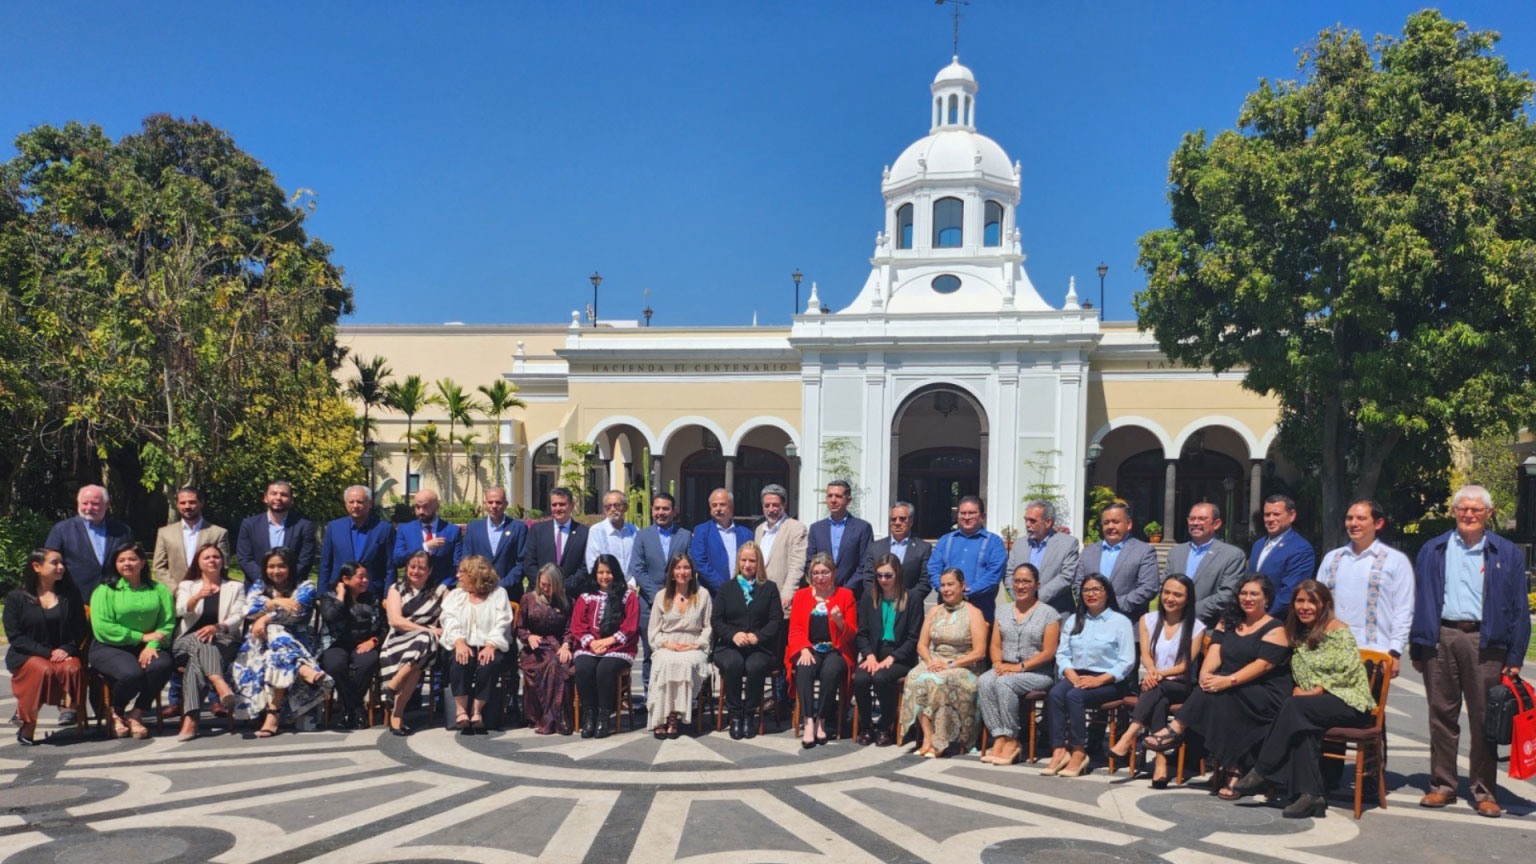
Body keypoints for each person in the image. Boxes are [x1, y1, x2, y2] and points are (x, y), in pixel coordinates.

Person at [1410, 484, 1530, 817]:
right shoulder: (1433, 549)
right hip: (1441, 637)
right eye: (1463, 508)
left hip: (1486, 642)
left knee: (1484, 720)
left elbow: (1520, 608)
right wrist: (1418, 648)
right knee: (1441, 717)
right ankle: (1442, 786)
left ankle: (1484, 791)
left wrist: (1515, 657)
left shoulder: (1506, 553)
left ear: (1488, 514)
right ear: (1454, 511)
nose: (1469, 514)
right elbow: (1420, 601)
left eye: (1476, 509)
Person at [1229, 580, 1376, 818]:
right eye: (1300, 601)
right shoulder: (1297, 633)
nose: (1305, 607)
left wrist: (1318, 690)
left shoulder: (1337, 630)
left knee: (1295, 708)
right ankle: (1311, 796)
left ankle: (1263, 770)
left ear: (1324, 605)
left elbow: (1349, 672)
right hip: (1310, 707)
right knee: (1301, 725)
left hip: (1348, 702)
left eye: (1312, 601)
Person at [1142, 574, 1292, 799]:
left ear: (1267, 598)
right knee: (1216, 693)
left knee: (1223, 695)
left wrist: (1228, 680)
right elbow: (1215, 651)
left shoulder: (1275, 628)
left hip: (1265, 691)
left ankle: (1178, 729)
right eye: (1243, 593)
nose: (1247, 598)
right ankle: (1234, 771)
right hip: (1232, 687)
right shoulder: (1228, 621)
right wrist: (1205, 674)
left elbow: (1262, 666)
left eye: (1254, 594)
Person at [1107, 573, 1206, 786]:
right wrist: (1152, 671)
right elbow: (1145, 654)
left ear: (1187, 599)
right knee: (1157, 700)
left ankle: (1129, 735)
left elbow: (1186, 665)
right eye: (1167, 592)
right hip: (1157, 684)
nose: (1170, 598)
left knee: (1154, 688)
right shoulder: (1148, 620)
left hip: (1182, 685)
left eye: (1177, 595)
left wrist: (1159, 674)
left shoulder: (1197, 627)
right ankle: (1160, 763)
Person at [1041, 573, 1136, 777]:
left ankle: (1078, 751)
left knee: (1074, 696)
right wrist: (1070, 674)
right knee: (1056, 693)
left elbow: (1126, 661)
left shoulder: (1120, 622)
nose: (1090, 594)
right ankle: (1059, 750)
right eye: (1086, 590)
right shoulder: (1075, 620)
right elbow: (1063, 653)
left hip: (1109, 679)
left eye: (1096, 589)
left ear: (1107, 593)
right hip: (1078, 674)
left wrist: (1099, 680)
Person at [232, 548, 332, 737]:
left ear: (291, 568)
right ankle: (302, 668)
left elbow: (296, 612)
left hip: (298, 639)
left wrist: (264, 619)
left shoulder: (306, 586)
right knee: (274, 637)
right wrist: (275, 604)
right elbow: (248, 610)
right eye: (271, 567)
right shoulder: (260, 586)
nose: (276, 571)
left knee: (274, 644)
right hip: (260, 643)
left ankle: (273, 712)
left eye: (281, 566)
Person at [1315, 499, 1413, 675]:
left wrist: (1395, 651)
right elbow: (1317, 604)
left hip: (1375, 654)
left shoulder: (1395, 561)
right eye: (1349, 518)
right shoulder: (1332, 558)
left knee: (1369, 703)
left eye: (1361, 518)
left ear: (1378, 523)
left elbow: (1403, 609)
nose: (1353, 524)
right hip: (1332, 652)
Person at [89, 543, 176, 739]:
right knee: (131, 674)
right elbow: (103, 627)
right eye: (121, 560)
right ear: (115, 565)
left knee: (162, 665)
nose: (127, 564)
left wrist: (151, 645)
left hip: (150, 645)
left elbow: (167, 622)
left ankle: (136, 713)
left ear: (143, 563)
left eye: (132, 559)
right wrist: (141, 637)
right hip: (109, 646)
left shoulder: (158, 589)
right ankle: (117, 711)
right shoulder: (105, 591)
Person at [900, 567, 989, 757]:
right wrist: (930, 661)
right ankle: (928, 737)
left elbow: (979, 652)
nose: (946, 589)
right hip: (936, 660)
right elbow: (922, 645)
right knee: (915, 677)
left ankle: (940, 741)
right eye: (943, 585)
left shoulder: (974, 613)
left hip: (964, 665)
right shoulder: (934, 611)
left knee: (940, 682)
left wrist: (950, 665)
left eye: (951, 584)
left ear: (962, 586)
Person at [978, 563, 1061, 765]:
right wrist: (997, 662)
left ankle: (1012, 740)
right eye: (1017, 581)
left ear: (1037, 584)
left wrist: (1019, 668)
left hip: (1037, 672)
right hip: (1006, 667)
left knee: (1004, 683)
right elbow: (996, 644)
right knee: (984, 681)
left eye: (1026, 581)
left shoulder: (1049, 614)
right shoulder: (1003, 611)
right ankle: (998, 737)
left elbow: (1049, 652)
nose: (1021, 586)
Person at [4, 549, 86, 746]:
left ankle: (67, 709)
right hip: (27, 653)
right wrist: (47, 653)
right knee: (44, 670)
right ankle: (27, 721)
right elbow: (16, 637)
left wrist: (67, 648)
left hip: (64, 651)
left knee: (72, 668)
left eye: (62, 563)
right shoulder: (17, 598)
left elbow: (80, 628)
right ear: (36, 567)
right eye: (55, 563)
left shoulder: (70, 595)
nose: (61, 567)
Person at [171, 543, 246, 741]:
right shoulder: (188, 586)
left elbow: (239, 615)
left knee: (199, 659)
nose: (212, 560)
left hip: (223, 641)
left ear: (223, 562)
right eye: (206, 557)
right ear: (199, 563)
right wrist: (196, 598)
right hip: (185, 642)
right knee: (201, 640)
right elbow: (180, 610)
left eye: (216, 557)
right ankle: (219, 683)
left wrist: (218, 627)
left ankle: (191, 720)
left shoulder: (235, 587)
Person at [712, 541, 783, 739]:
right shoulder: (727, 588)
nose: (747, 565)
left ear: (759, 562)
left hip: (760, 647)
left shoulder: (769, 588)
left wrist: (757, 636)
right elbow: (716, 620)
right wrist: (733, 635)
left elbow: (775, 620)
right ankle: (735, 715)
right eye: (744, 560)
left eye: (752, 560)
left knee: (755, 666)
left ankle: (749, 714)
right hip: (729, 645)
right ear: (738, 562)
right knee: (733, 663)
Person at [786, 552, 858, 747]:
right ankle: (808, 721)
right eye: (815, 573)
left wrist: (840, 622)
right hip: (810, 648)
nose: (820, 577)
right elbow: (795, 629)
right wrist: (803, 649)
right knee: (804, 668)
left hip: (837, 649)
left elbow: (851, 634)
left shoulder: (845, 596)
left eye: (824, 572)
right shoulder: (801, 596)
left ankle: (822, 720)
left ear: (833, 573)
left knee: (831, 671)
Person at [853, 553, 924, 747]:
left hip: (900, 656)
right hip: (875, 653)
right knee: (860, 678)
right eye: (879, 575)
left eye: (888, 575)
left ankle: (887, 725)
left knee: (882, 678)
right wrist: (869, 655)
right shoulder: (869, 596)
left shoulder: (912, 598)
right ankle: (866, 726)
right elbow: (862, 633)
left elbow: (913, 638)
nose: (883, 580)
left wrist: (892, 658)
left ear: (898, 575)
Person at [567, 553, 640, 739]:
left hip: (618, 647)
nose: (604, 576)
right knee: (584, 667)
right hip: (590, 645)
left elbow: (630, 627)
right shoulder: (586, 596)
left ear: (615, 573)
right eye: (600, 572)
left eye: (608, 572)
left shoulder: (628, 596)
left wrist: (607, 642)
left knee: (604, 670)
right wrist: (592, 642)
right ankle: (589, 715)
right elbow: (578, 625)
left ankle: (603, 716)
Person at [439, 555, 513, 734]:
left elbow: (502, 622)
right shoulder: (456, 596)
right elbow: (449, 620)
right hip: (462, 643)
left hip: (491, 644)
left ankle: (477, 711)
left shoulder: (498, 594)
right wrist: (459, 641)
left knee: (489, 663)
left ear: (475, 574)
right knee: (459, 660)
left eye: (462, 572)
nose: (458, 576)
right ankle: (461, 711)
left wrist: (491, 644)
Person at [379, 549, 448, 736]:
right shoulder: (396, 588)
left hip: (427, 646)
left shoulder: (441, 591)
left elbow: (451, 618)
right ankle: (397, 707)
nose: (416, 571)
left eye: (421, 568)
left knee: (423, 647)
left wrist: (433, 633)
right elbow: (395, 620)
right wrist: (428, 629)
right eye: (412, 567)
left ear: (430, 570)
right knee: (422, 649)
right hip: (398, 640)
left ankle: (394, 698)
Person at [630, 492, 692, 698]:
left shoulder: (684, 535)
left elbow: (690, 568)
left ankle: (676, 698)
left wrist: (674, 596)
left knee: (676, 653)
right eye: (657, 508)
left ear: (674, 511)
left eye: (665, 509)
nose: (661, 513)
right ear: (651, 510)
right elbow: (637, 569)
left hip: (680, 604)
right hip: (649, 604)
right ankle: (651, 697)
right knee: (650, 653)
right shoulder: (642, 536)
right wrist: (658, 596)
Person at [646, 552, 714, 738]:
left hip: (693, 645)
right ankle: (661, 718)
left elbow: (708, 627)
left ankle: (674, 717)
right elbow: (653, 630)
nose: (682, 572)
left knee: (684, 664)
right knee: (665, 663)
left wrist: (697, 645)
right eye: (678, 568)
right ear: (671, 572)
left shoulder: (703, 595)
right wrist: (666, 643)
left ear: (692, 571)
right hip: (667, 644)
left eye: (686, 567)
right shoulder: (661, 596)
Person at [319, 562, 388, 729]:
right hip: (337, 644)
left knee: (367, 663)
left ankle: (346, 707)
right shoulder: (329, 596)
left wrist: (374, 641)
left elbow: (385, 627)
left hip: (364, 643)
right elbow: (330, 617)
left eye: (366, 577)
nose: (365, 580)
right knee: (334, 665)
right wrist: (340, 596)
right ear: (345, 579)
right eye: (361, 577)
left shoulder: (372, 599)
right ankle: (357, 708)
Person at [45, 484, 133, 601]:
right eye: (84, 503)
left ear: (107, 505)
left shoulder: (122, 531)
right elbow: (49, 564)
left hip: (115, 596)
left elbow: (133, 560)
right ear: (78, 503)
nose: (89, 508)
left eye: (95, 504)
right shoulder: (61, 530)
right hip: (75, 599)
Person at [925, 497, 1008, 621]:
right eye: (963, 513)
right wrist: (945, 589)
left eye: (972, 513)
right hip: (946, 610)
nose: (967, 517)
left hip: (980, 610)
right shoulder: (945, 540)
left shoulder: (994, 542)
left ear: (982, 516)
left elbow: (994, 574)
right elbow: (933, 568)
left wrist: (965, 593)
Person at [1164, 503, 1245, 627]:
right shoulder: (1176, 553)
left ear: (1216, 524)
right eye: (1192, 519)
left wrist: (1187, 613)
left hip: (1208, 628)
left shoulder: (1232, 555)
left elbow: (1226, 595)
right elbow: (1164, 585)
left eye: (1202, 519)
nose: (1195, 523)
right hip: (1172, 625)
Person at [1074, 502, 1159, 620]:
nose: (1110, 526)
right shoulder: (1088, 552)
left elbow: (1148, 588)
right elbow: (1079, 585)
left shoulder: (1144, 552)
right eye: (1106, 522)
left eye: (1115, 522)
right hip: (1092, 623)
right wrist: (1093, 605)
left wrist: (1110, 606)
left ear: (1129, 524)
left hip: (1128, 623)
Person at [517, 563, 575, 735]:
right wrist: (528, 637)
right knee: (549, 664)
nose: (545, 588)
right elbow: (520, 628)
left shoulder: (568, 601)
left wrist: (566, 645)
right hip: (534, 649)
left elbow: (570, 629)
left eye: (549, 585)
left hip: (557, 645)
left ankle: (559, 716)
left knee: (562, 664)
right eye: (542, 584)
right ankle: (543, 716)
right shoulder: (528, 599)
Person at [1004, 500, 1080, 615]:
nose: (1027, 524)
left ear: (1048, 522)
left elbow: (1066, 576)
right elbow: (1009, 574)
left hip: (1056, 613)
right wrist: (1020, 598)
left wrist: (1035, 599)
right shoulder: (1020, 544)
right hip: (1023, 612)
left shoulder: (1068, 544)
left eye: (1032, 521)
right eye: (1026, 520)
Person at [318, 485, 395, 596]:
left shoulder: (384, 529)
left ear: (370, 503)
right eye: (351, 502)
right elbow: (325, 563)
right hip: (340, 592)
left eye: (360, 502)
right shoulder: (334, 527)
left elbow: (390, 567)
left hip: (372, 592)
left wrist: (389, 595)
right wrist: (322, 594)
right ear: (346, 504)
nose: (355, 506)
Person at [235, 480, 317, 583]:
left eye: (284, 495)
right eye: (273, 493)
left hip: (291, 590)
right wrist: (266, 580)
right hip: (257, 588)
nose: (278, 498)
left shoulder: (304, 526)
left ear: (291, 500)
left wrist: (284, 582)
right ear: (265, 498)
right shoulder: (249, 525)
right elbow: (245, 559)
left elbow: (305, 561)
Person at [152, 486, 232, 591]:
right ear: (177, 505)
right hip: (175, 594)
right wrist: (177, 590)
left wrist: (207, 587)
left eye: (192, 502)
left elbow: (223, 566)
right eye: (183, 503)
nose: (187, 506)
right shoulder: (165, 533)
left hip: (207, 591)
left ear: (201, 503)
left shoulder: (218, 533)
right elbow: (158, 567)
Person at [1248, 494, 1317, 615]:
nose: (1270, 519)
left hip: (1277, 622)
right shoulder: (1258, 545)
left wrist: (1262, 618)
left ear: (1291, 516)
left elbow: (1289, 594)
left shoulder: (1300, 548)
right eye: (1267, 515)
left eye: (1276, 514)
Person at [806, 481, 874, 599]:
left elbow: (865, 564)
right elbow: (809, 562)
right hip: (822, 596)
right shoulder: (816, 529)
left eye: (838, 496)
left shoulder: (862, 528)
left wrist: (844, 591)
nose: (833, 500)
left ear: (848, 500)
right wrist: (822, 585)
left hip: (852, 595)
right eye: (830, 496)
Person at [857, 502, 933, 605]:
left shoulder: (923, 548)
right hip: (880, 605)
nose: (897, 523)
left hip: (909, 606)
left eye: (902, 519)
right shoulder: (875, 547)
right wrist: (878, 598)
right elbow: (868, 578)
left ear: (911, 521)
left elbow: (925, 581)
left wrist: (908, 599)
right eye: (893, 519)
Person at [521, 487, 590, 597]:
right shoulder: (537, 531)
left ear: (572, 505)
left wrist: (562, 587)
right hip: (540, 597)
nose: (557, 508)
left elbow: (585, 567)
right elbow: (529, 563)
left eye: (562, 504)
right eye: (554, 504)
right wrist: (545, 586)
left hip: (570, 596)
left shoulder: (584, 533)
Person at [462, 486, 528, 599]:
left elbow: (522, 562)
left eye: (498, 502)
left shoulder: (518, 528)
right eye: (490, 502)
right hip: (479, 594)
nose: (494, 506)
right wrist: (480, 584)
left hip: (510, 593)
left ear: (506, 504)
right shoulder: (473, 528)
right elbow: (467, 559)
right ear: (485, 503)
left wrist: (502, 585)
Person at [391, 488, 463, 589]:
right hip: (413, 590)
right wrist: (424, 546)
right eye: (417, 507)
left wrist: (444, 587)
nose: (421, 511)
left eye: (425, 507)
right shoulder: (405, 530)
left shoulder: (452, 531)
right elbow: (398, 559)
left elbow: (458, 564)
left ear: (437, 506)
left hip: (443, 590)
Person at [690, 488, 754, 595]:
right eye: (714, 505)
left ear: (731, 507)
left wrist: (742, 586)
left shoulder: (746, 534)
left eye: (722, 504)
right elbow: (700, 562)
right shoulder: (701, 531)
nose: (718, 509)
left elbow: (752, 562)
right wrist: (724, 587)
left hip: (742, 593)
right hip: (712, 594)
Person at [756, 483, 809, 610]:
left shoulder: (796, 528)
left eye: (775, 505)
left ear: (784, 505)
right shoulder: (759, 529)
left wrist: (788, 594)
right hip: (760, 598)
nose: (771, 509)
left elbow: (797, 565)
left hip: (783, 600)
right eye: (767, 505)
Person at [586, 489, 638, 585]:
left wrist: (631, 584)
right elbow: (592, 564)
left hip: (630, 588)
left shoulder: (634, 531)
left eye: (617, 505)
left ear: (625, 507)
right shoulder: (596, 531)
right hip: (606, 587)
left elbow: (639, 561)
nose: (612, 509)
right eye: (608, 506)